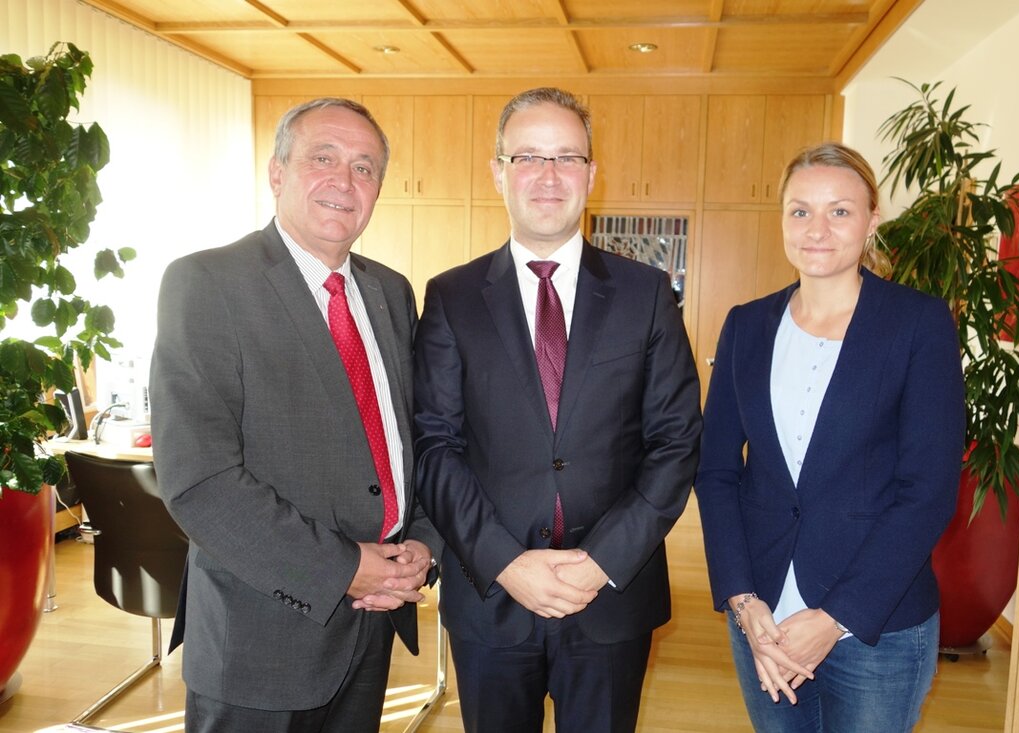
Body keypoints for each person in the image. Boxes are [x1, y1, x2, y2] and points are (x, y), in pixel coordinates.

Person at [413, 87, 702, 732]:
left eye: (567, 157)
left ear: (592, 175)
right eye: (528, 158)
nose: (548, 176)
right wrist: (506, 563)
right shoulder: (451, 296)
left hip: (611, 596)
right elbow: (434, 445)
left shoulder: (647, 294)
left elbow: (675, 442)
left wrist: (600, 562)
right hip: (491, 595)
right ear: (498, 173)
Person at [150, 97, 441, 733]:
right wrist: (347, 570)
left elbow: (403, 440)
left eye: (365, 168)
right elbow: (199, 481)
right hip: (261, 637)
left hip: (373, 624)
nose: (345, 181)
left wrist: (420, 541)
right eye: (323, 159)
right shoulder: (207, 284)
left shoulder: (391, 291)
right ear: (278, 172)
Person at [694, 142, 965, 732]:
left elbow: (928, 491)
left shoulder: (918, 324)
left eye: (839, 211)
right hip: (762, 616)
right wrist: (741, 599)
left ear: (871, 220)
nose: (817, 229)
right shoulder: (746, 324)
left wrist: (835, 617)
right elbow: (716, 471)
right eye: (800, 211)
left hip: (877, 624)